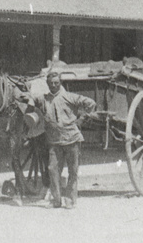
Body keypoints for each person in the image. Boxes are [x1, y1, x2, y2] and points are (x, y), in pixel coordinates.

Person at [32, 68, 97, 209]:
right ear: (47, 84)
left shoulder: (69, 97)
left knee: (73, 171)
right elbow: (30, 98)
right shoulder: (44, 99)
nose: (54, 85)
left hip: (71, 140)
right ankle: (56, 200)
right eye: (51, 83)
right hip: (54, 142)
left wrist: (81, 119)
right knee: (52, 169)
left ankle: (70, 199)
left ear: (60, 83)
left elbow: (90, 103)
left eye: (56, 83)